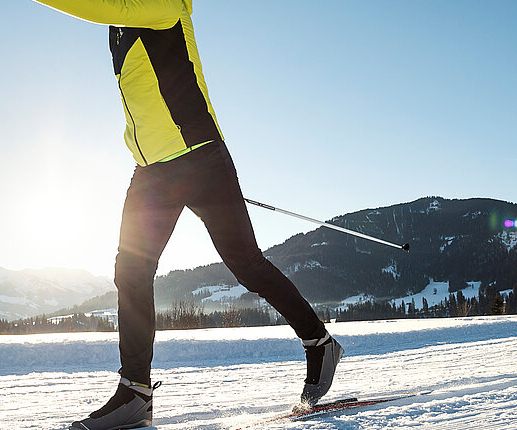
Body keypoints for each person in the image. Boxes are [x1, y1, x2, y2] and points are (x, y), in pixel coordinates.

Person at [32, 1, 343, 429]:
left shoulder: (162, 4)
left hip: (200, 157)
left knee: (246, 264)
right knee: (132, 270)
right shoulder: (119, 26)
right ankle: (135, 393)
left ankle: (319, 343)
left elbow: (99, 5)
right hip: (153, 169)